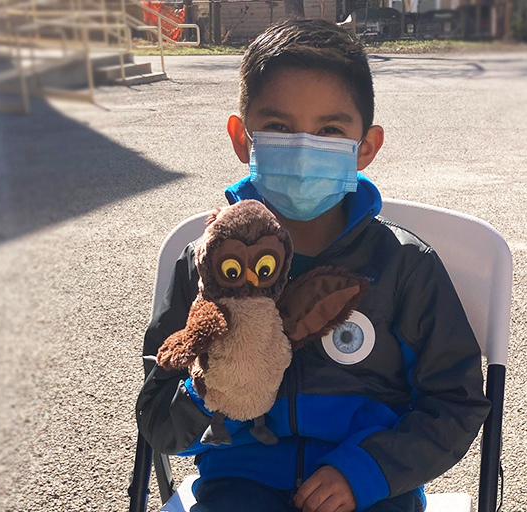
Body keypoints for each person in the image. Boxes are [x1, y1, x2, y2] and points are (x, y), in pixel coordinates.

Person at [137, 18, 491, 512]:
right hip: (238, 482)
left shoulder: (404, 264)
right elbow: (158, 417)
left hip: (372, 487)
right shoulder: (206, 265)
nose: (303, 148)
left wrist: (369, 471)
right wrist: (210, 389)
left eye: (329, 129)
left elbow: (454, 401)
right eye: (279, 128)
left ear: (365, 147)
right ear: (243, 138)